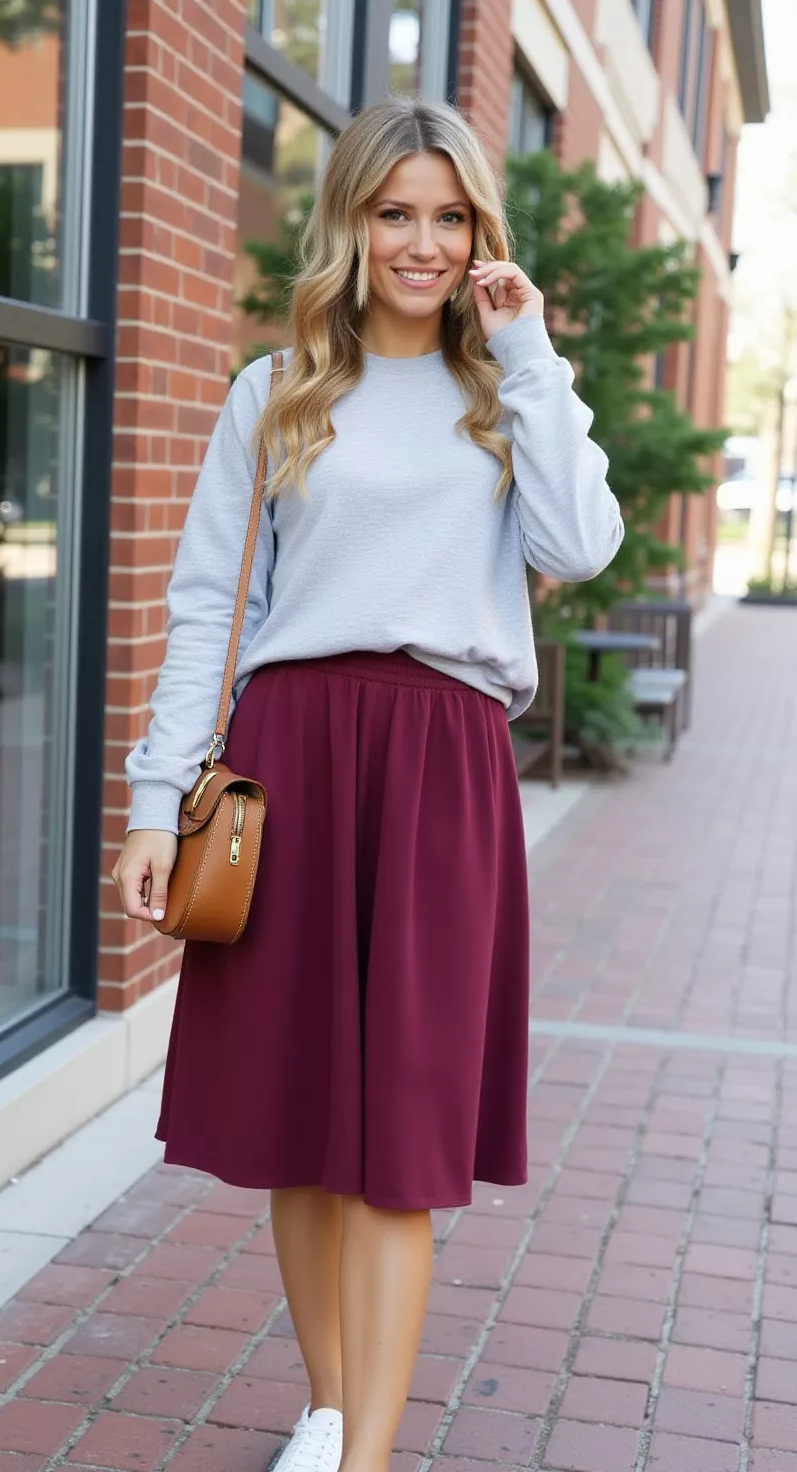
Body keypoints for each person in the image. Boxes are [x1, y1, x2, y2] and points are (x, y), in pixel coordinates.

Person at [113, 97, 623, 1472]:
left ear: (480, 233)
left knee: (399, 1133)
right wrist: (155, 805)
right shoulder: (275, 390)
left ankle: (366, 1461)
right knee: (297, 1127)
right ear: (349, 221)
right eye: (395, 213)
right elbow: (210, 603)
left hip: (444, 771)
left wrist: (528, 352)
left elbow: (580, 546)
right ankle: (335, 1408)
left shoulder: (509, 390)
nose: (422, 243)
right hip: (290, 763)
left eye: (449, 217)